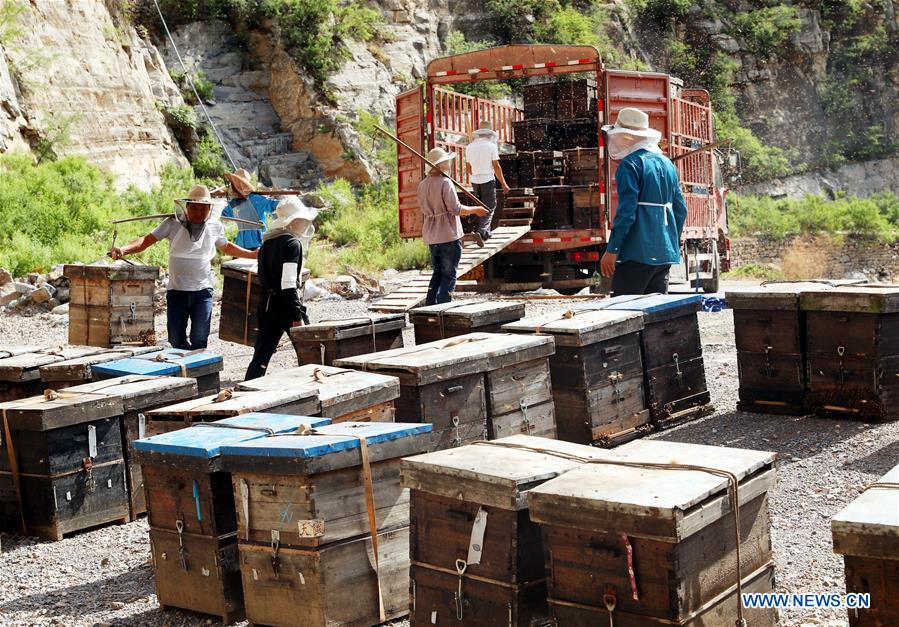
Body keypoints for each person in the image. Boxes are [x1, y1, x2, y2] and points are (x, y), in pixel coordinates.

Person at [109, 185, 258, 350]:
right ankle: (184, 369)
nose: (198, 213)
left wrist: (253, 255)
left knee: (200, 339)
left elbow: (226, 247)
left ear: (209, 209)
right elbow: (146, 240)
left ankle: (200, 372)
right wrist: (123, 250)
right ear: (186, 207)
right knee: (176, 340)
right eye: (194, 208)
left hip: (203, 292)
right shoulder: (172, 223)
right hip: (177, 291)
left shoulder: (215, 226)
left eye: (203, 209)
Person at [599, 107, 688, 296]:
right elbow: (681, 211)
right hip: (665, 255)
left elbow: (626, 212)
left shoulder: (629, 165)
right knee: (655, 315)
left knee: (624, 314)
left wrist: (612, 249)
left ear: (625, 137)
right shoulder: (669, 165)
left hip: (637, 253)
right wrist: (670, 242)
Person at [244, 197, 317, 380]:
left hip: (267, 306)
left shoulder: (267, 245)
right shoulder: (292, 244)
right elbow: (288, 283)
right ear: (293, 221)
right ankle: (316, 390)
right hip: (285, 306)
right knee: (310, 353)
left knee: (261, 356)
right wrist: (296, 316)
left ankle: (247, 393)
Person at [418, 147, 489, 305]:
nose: (449, 164)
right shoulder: (445, 182)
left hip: (432, 236)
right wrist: (476, 210)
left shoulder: (422, 185)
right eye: (447, 162)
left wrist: (457, 211)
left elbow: (443, 209)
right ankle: (443, 308)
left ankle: (430, 307)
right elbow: (456, 209)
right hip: (448, 235)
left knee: (437, 273)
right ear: (441, 164)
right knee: (449, 275)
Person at [465, 121, 511, 241]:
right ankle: (482, 231)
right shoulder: (491, 146)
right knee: (489, 207)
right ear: (490, 134)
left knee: (480, 206)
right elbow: (496, 167)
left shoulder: (470, 147)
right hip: (488, 180)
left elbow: (468, 169)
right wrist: (504, 183)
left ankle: (485, 233)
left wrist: (477, 172)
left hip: (475, 181)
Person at [221, 168, 279, 250]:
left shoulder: (256, 199)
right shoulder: (233, 204)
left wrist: (285, 200)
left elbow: (276, 205)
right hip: (240, 245)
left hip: (257, 244)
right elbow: (222, 215)